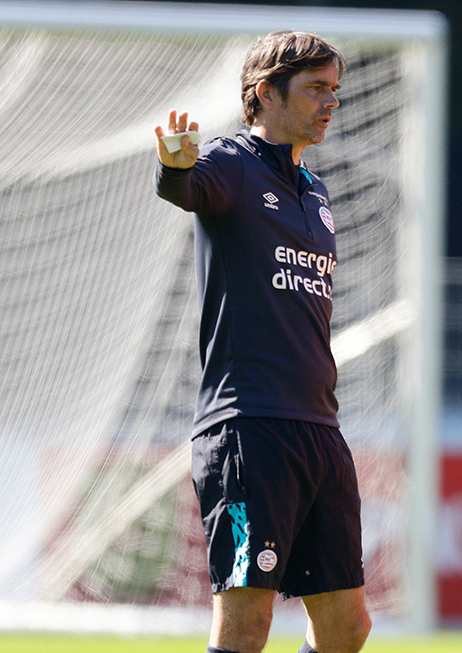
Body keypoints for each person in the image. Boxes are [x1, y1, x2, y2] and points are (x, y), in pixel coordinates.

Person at [154, 31, 371, 653]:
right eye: (315, 89)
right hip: (249, 429)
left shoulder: (318, 192)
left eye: (335, 89)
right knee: (246, 625)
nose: (331, 102)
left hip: (319, 431)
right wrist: (173, 164)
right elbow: (185, 186)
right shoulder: (231, 163)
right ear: (265, 93)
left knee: (347, 626)